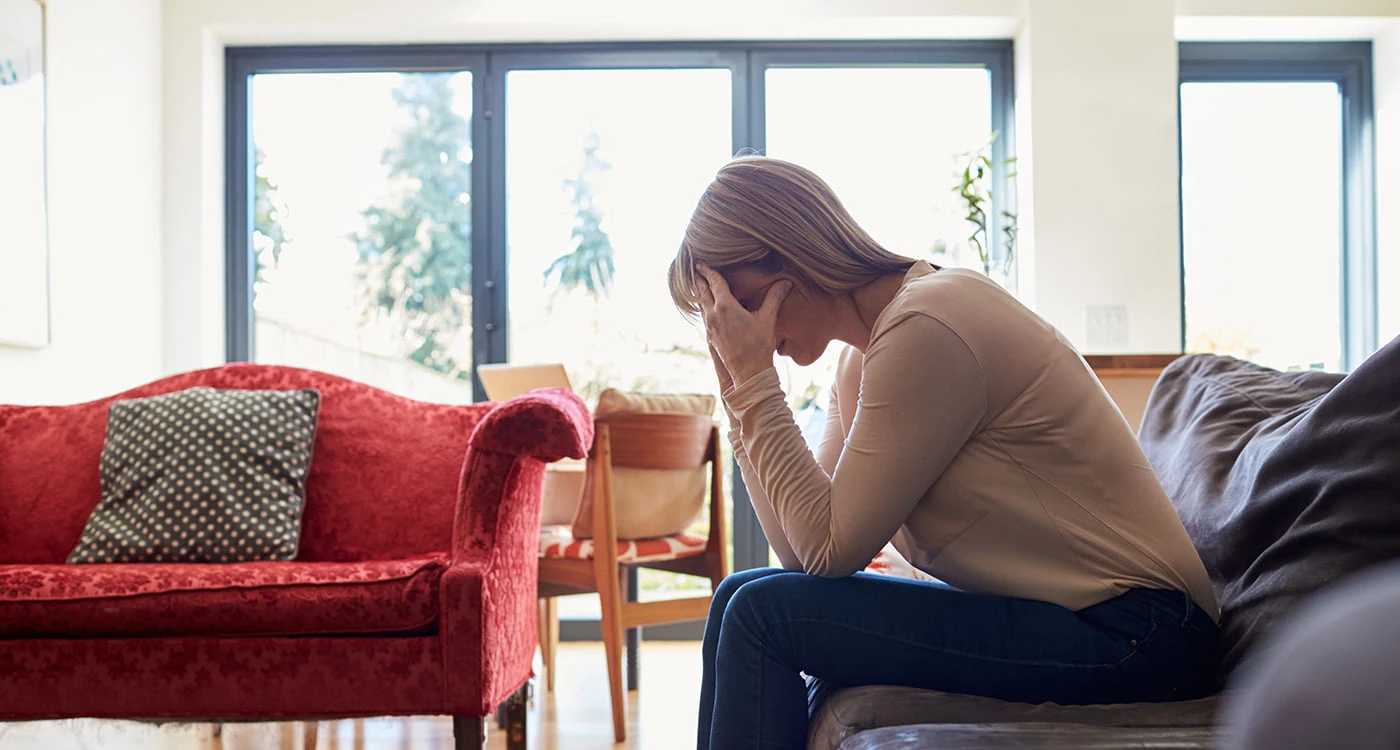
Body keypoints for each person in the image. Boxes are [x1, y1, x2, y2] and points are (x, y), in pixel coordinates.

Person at [666, 156, 1222, 750]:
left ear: (782, 257)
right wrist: (737, 391)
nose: (728, 324)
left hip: (1144, 632)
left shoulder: (931, 323)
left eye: (731, 298)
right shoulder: (865, 359)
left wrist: (755, 384)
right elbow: (800, 552)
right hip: (1079, 619)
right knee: (739, 596)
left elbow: (831, 551)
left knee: (763, 615)